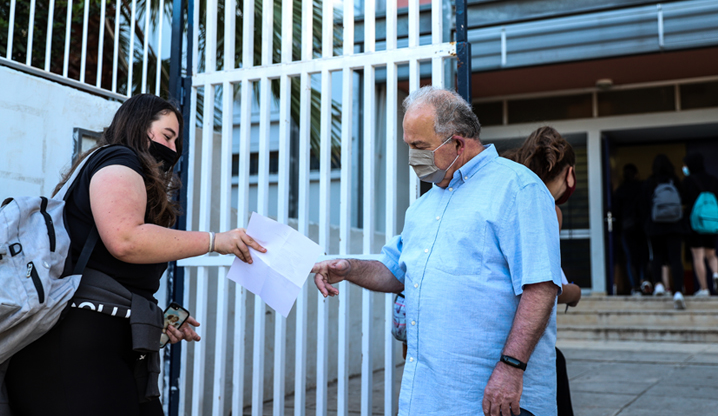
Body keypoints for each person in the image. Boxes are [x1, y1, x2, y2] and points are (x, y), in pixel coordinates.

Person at [6, 94, 266, 416]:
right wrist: (215, 241)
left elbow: (118, 267)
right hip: (72, 352)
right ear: (139, 124)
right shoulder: (119, 159)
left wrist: (151, 319)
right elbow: (126, 239)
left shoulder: (118, 168)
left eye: (177, 142)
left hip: (102, 347)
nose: (173, 150)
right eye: (167, 136)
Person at [312, 86, 562, 416]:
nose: (413, 157)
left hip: (494, 397)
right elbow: (396, 270)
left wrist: (511, 367)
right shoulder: (424, 205)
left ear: (458, 143)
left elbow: (540, 287)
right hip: (428, 395)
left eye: (420, 147)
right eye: (409, 146)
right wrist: (349, 269)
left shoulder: (518, 188)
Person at [502, 125, 580, 416]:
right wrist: (575, 292)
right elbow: (544, 285)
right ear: (568, 172)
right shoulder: (548, 207)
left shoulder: (507, 192)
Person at [643, 154, 687, 309]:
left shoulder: (651, 182)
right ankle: (678, 292)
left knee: (657, 256)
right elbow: (684, 199)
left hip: (655, 226)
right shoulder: (675, 181)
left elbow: (645, 203)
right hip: (674, 226)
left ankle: (659, 285)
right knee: (675, 259)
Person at [682, 152, 718, 296]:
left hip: (695, 223)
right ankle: (715, 274)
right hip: (712, 223)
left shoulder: (688, 181)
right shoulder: (714, 180)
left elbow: (682, 200)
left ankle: (704, 288)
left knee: (698, 256)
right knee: (712, 254)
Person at [613, 163, 651, 295]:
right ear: (636, 174)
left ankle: (635, 287)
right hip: (642, 227)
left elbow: (615, 212)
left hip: (627, 228)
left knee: (631, 258)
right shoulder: (642, 187)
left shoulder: (621, 190)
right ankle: (644, 281)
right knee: (643, 257)